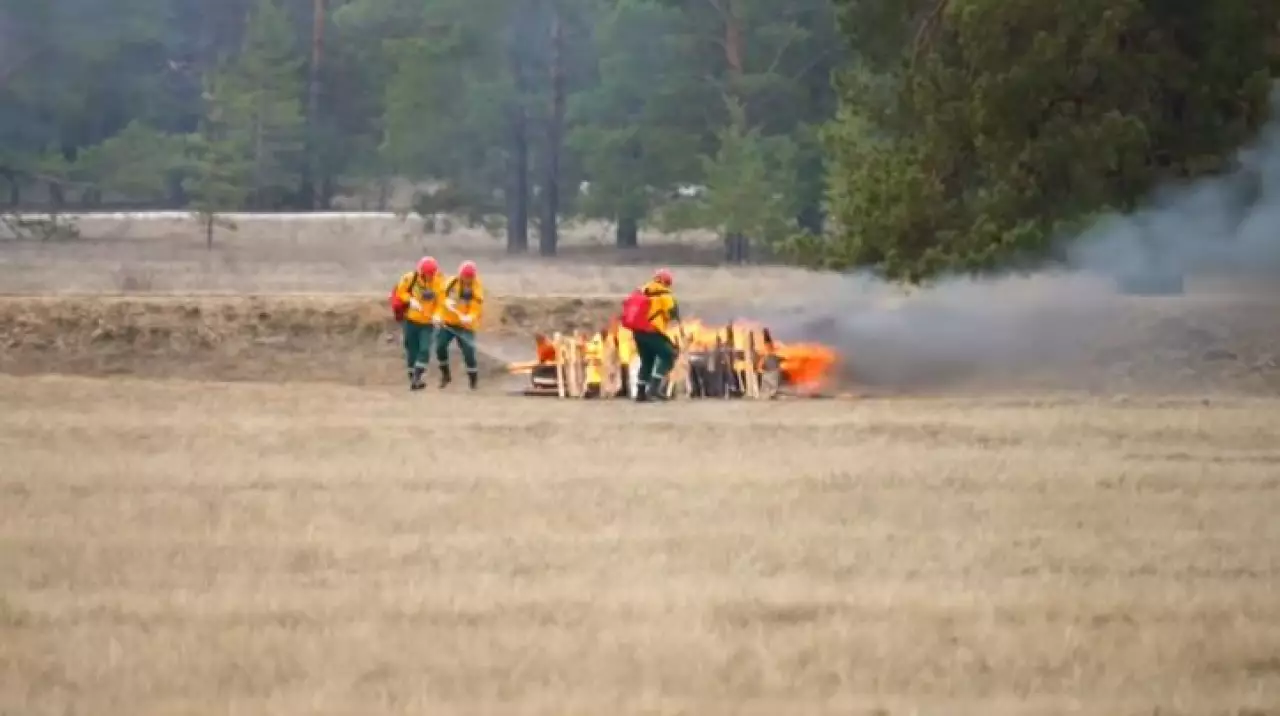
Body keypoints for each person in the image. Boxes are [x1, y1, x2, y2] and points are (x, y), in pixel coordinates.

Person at [391, 256, 446, 391]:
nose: (429, 277)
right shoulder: (409, 278)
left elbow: (441, 302)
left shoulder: (439, 282)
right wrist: (410, 300)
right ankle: (413, 380)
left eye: (431, 275)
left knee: (425, 349)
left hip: (428, 323)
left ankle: (417, 376)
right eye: (426, 274)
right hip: (410, 320)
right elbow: (400, 292)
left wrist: (438, 315)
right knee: (411, 349)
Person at [631, 268, 681, 402]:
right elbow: (672, 315)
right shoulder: (665, 295)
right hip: (652, 331)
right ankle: (653, 390)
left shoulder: (642, 290)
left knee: (647, 360)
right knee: (669, 355)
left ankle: (641, 393)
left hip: (637, 331)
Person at [434, 259, 485, 390]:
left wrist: (470, 317)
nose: (468, 280)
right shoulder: (451, 283)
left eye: (470, 277)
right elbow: (440, 298)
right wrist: (441, 311)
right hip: (448, 323)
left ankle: (473, 381)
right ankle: (445, 375)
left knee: (469, 352)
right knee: (440, 347)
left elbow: (477, 306)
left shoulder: (477, 287)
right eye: (465, 277)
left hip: (466, 326)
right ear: (460, 275)